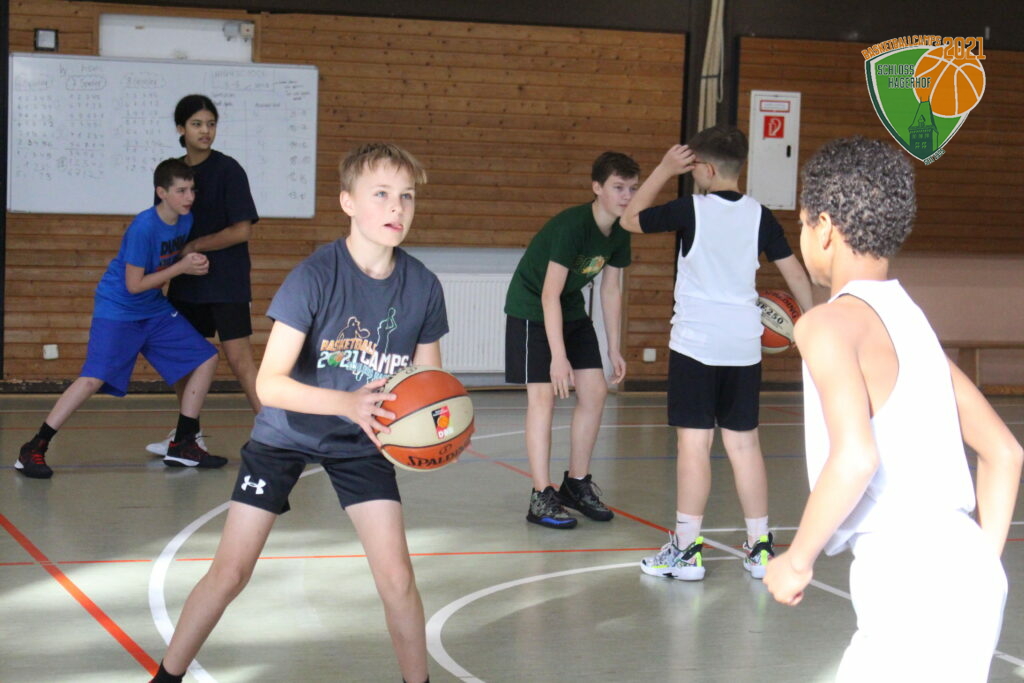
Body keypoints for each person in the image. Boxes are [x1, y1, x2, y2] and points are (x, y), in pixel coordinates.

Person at [149, 143, 446, 683]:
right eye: (381, 194)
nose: (396, 207)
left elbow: (426, 387)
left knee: (398, 580)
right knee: (231, 572)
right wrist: (349, 404)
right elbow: (269, 384)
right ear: (348, 202)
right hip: (285, 435)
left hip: (362, 442)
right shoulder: (314, 276)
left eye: (406, 196)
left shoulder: (423, 286)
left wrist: (432, 433)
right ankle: (165, 677)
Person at [764, 136, 1022, 680]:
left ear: (824, 227)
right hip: (973, 575)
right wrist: (981, 563)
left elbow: (856, 457)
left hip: (906, 579)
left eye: (803, 223)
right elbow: (1005, 452)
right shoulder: (914, 326)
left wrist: (797, 559)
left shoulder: (826, 324)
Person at [620, 124, 813, 579]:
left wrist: (664, 169)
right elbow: (795, 274)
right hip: (743, 346)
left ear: (705, 169)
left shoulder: (691, 208)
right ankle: (761, 549)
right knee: (744, 445)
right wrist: (815, 326)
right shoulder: (761, 216)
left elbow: (630, 219)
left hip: (696, 344)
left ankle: (687, 552)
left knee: (695, 445)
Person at [14, 159, 224, 478]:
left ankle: (183, 443)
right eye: (181, 191)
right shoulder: (143, 227)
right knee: (92, 378)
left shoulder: (186, 220)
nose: (189, 197)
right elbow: (134, 285)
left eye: (192, 190)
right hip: (119, 309)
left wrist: (191, 261)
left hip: (153, 309)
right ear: (161, 193)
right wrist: (181, 268)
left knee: (206, 358)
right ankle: (34, 447)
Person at [503, 152, 639, 529]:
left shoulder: (621, 230)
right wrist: (558, 357)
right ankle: (540, 494)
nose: (627, 196)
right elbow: (548, 294)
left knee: (595, 392)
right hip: (532, 308)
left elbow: (611, 289)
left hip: (570, 308)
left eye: (632, 188)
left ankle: (575, 483)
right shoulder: (572, 226)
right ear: (597, 188)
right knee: (542, 398)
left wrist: (613, 347)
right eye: (618, 187)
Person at [146, 94, 261, 457]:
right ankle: (188, 434)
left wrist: (195, 245)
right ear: (181, 129)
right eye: (197, 124)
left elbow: (241, 230)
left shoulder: (229, 170)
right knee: (185, 360)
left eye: (211, 124)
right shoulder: (173, 173)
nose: (205, 131)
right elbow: (162, 227)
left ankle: (276, 436)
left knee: (240, 361)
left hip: (226, 282)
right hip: (186, 281)